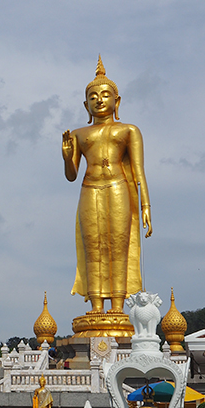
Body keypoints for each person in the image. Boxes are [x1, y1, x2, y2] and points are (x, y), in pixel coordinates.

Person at [62, 56, 152, 316]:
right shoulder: (79, 135)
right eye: (92, 96)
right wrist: (68, 156)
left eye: (104, 94)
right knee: (94, 247)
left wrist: (145, 205)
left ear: (117, 101)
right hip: (90, 188)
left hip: (117, 187)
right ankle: (97, 306)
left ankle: (118, 307)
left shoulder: (128, 131)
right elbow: (71, 176)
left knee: (117, 246)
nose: (99, 100)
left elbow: (138, 172)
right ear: (85, 104)